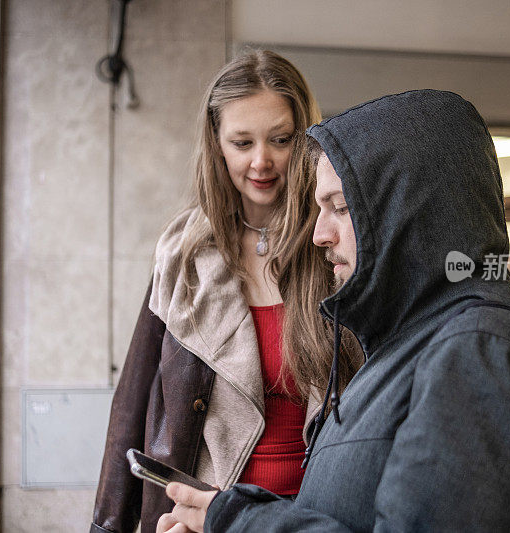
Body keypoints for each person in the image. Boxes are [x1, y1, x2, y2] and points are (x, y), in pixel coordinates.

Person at [157, 90, 510, 532]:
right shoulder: (412, 340)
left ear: (407, 213)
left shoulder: (476, 350)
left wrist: (242, 522)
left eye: (340, 208)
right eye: (317, 209)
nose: (319, 235)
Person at [90, 51, 362, 533]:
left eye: (281, 139)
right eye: (242, 142)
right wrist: (108, 526)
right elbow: (131, 406)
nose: (262, 161)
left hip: (319, 518)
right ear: (216, 145)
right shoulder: (182, 252)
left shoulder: (335, 244)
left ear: (306, 141)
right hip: (203, 517)